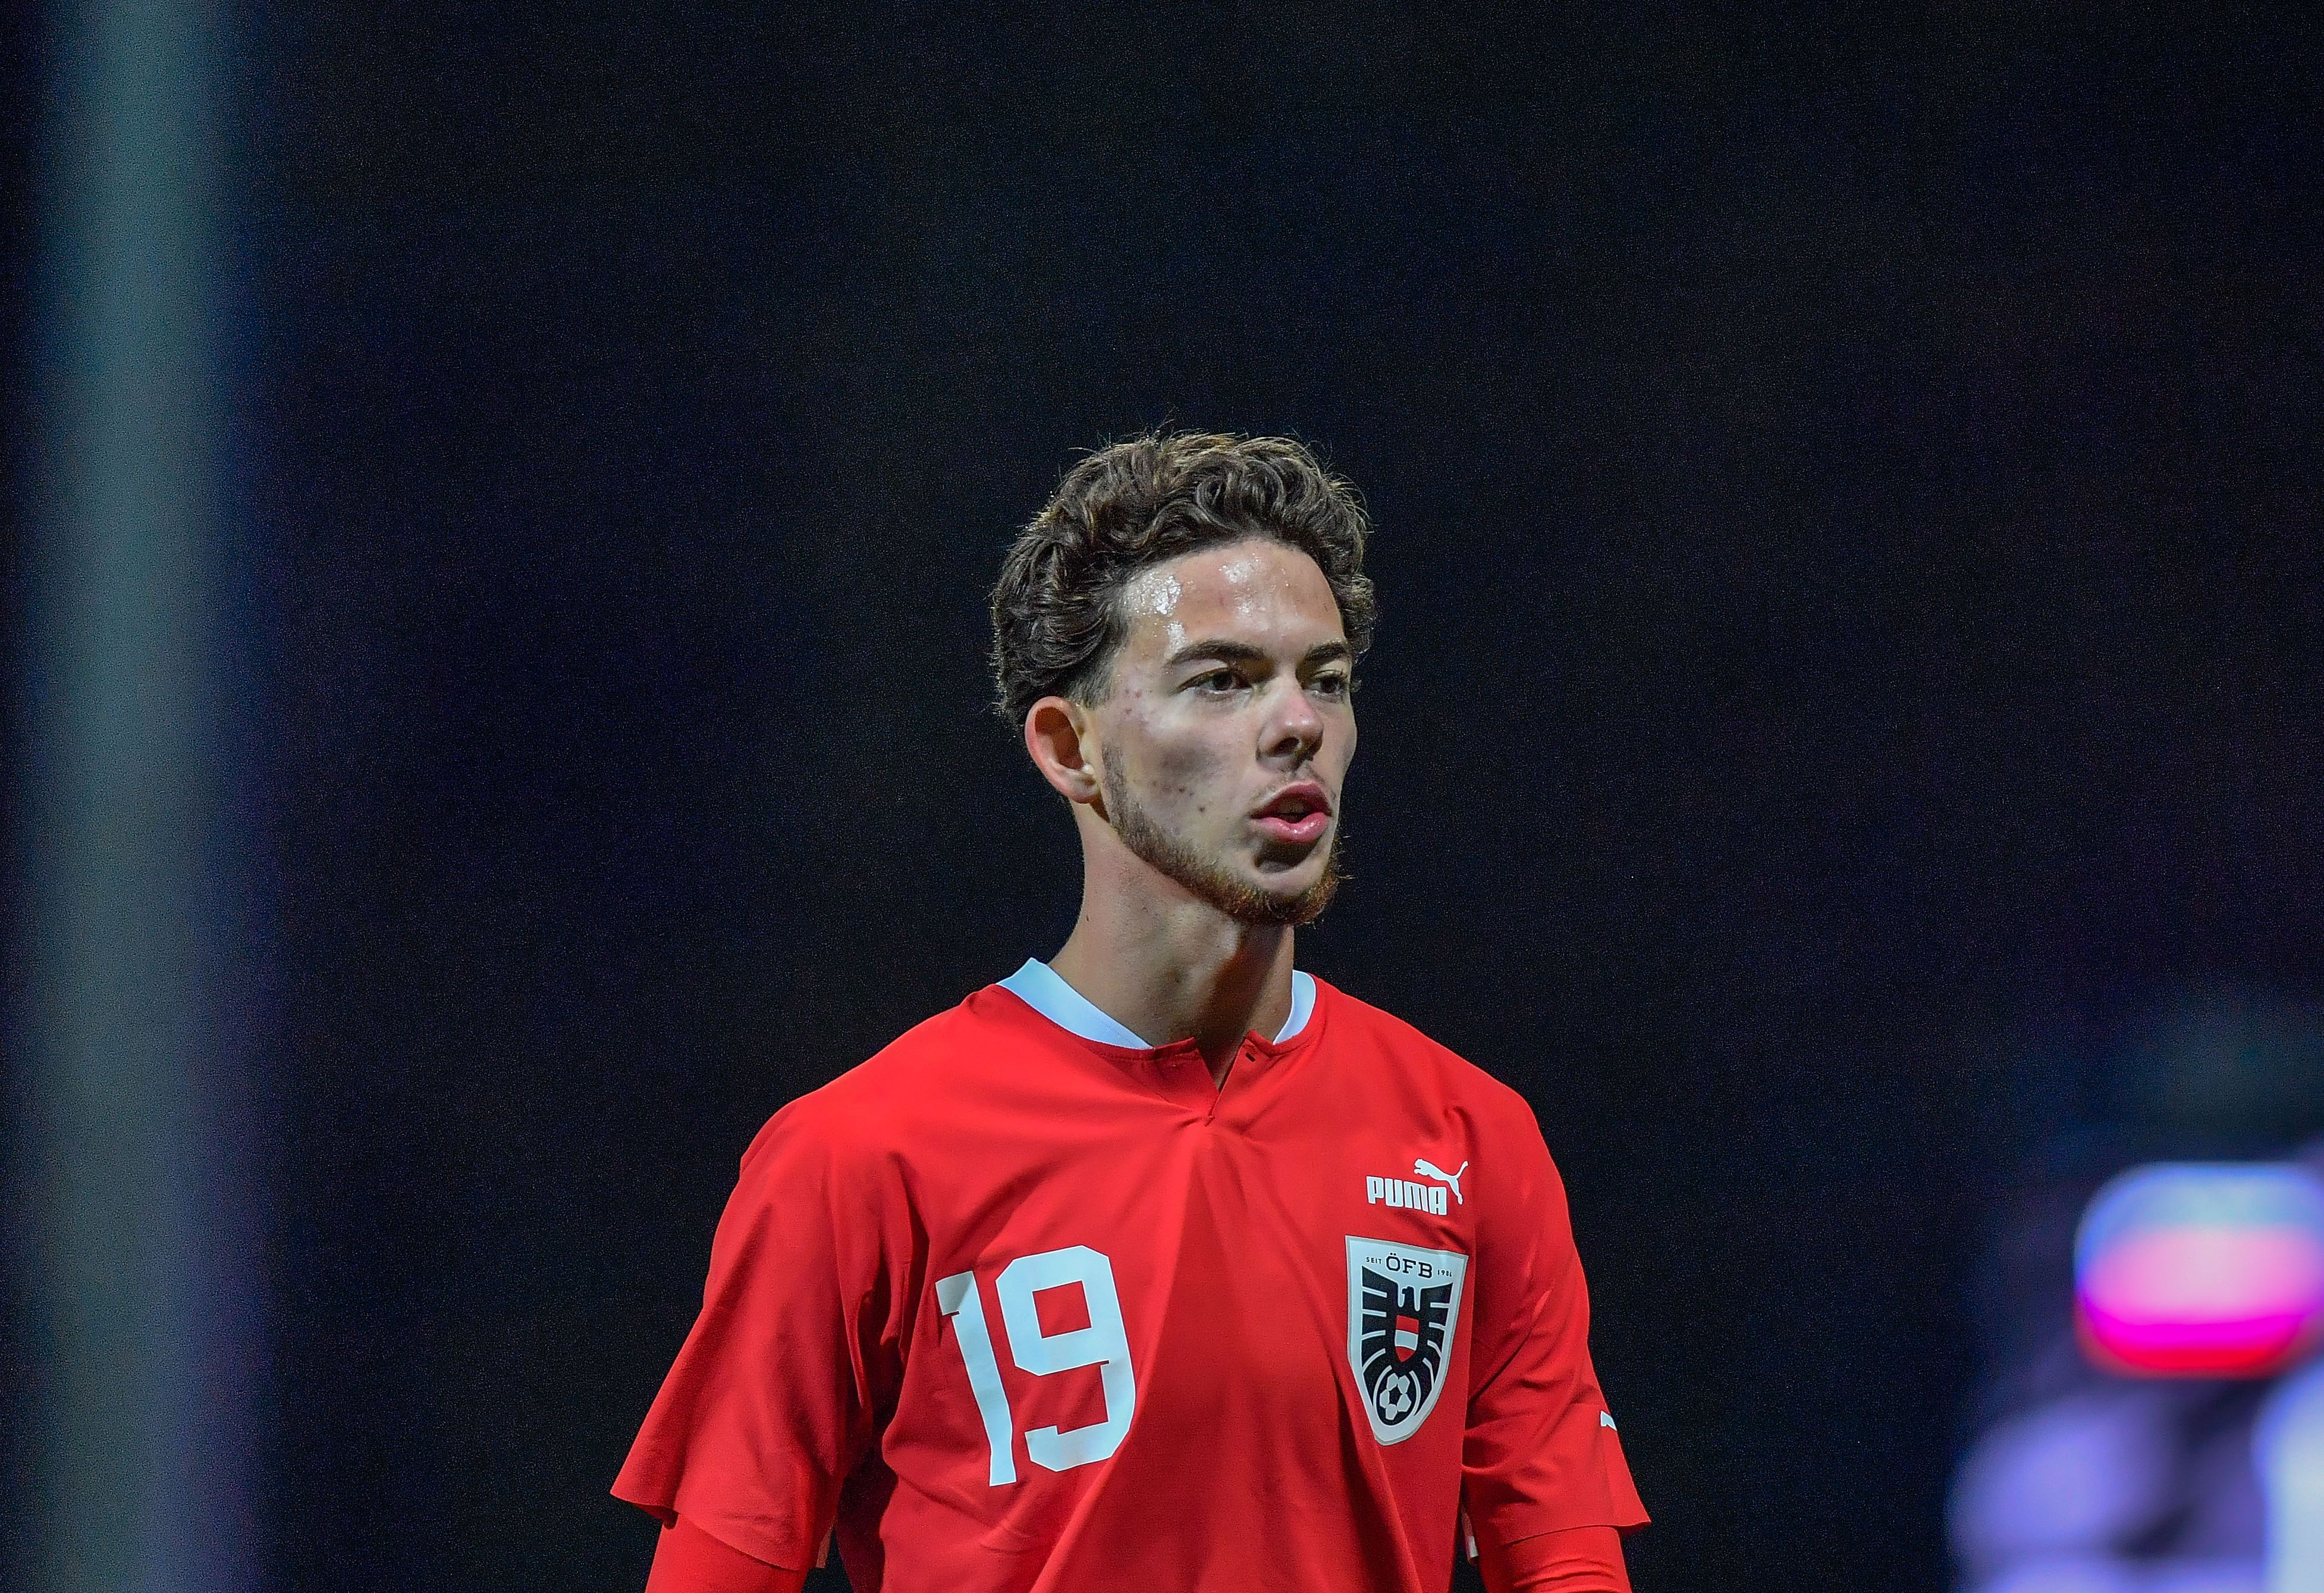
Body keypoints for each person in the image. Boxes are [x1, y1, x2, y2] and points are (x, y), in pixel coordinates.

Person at [614, 432, 1647, 1592]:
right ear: (1071, 748)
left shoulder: (1471, 1141)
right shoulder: (855, 1159)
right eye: (1224, 679)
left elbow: (1561, 1567)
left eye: (1327, 678)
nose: (1297, 721)